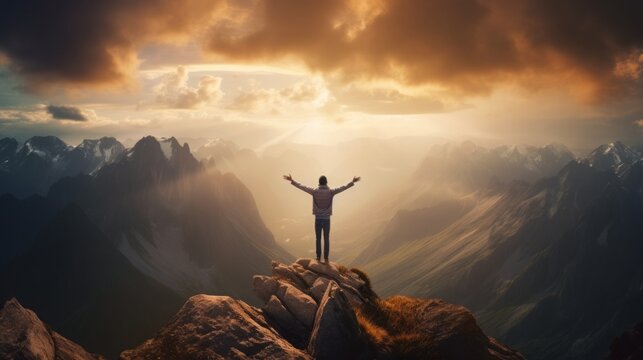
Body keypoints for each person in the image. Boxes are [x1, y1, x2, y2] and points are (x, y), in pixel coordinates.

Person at [283, 174, 360, 263]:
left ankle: (318, 257)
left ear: (319, 183)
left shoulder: (315, 191)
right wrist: (352, 182)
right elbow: (342, 188)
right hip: (327, 219)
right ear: (326, 182)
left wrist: (292, 180)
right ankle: (326, 258)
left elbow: (302, 187)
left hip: (318, 219)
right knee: (326, 238)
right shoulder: (331, 192)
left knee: (318, 239)